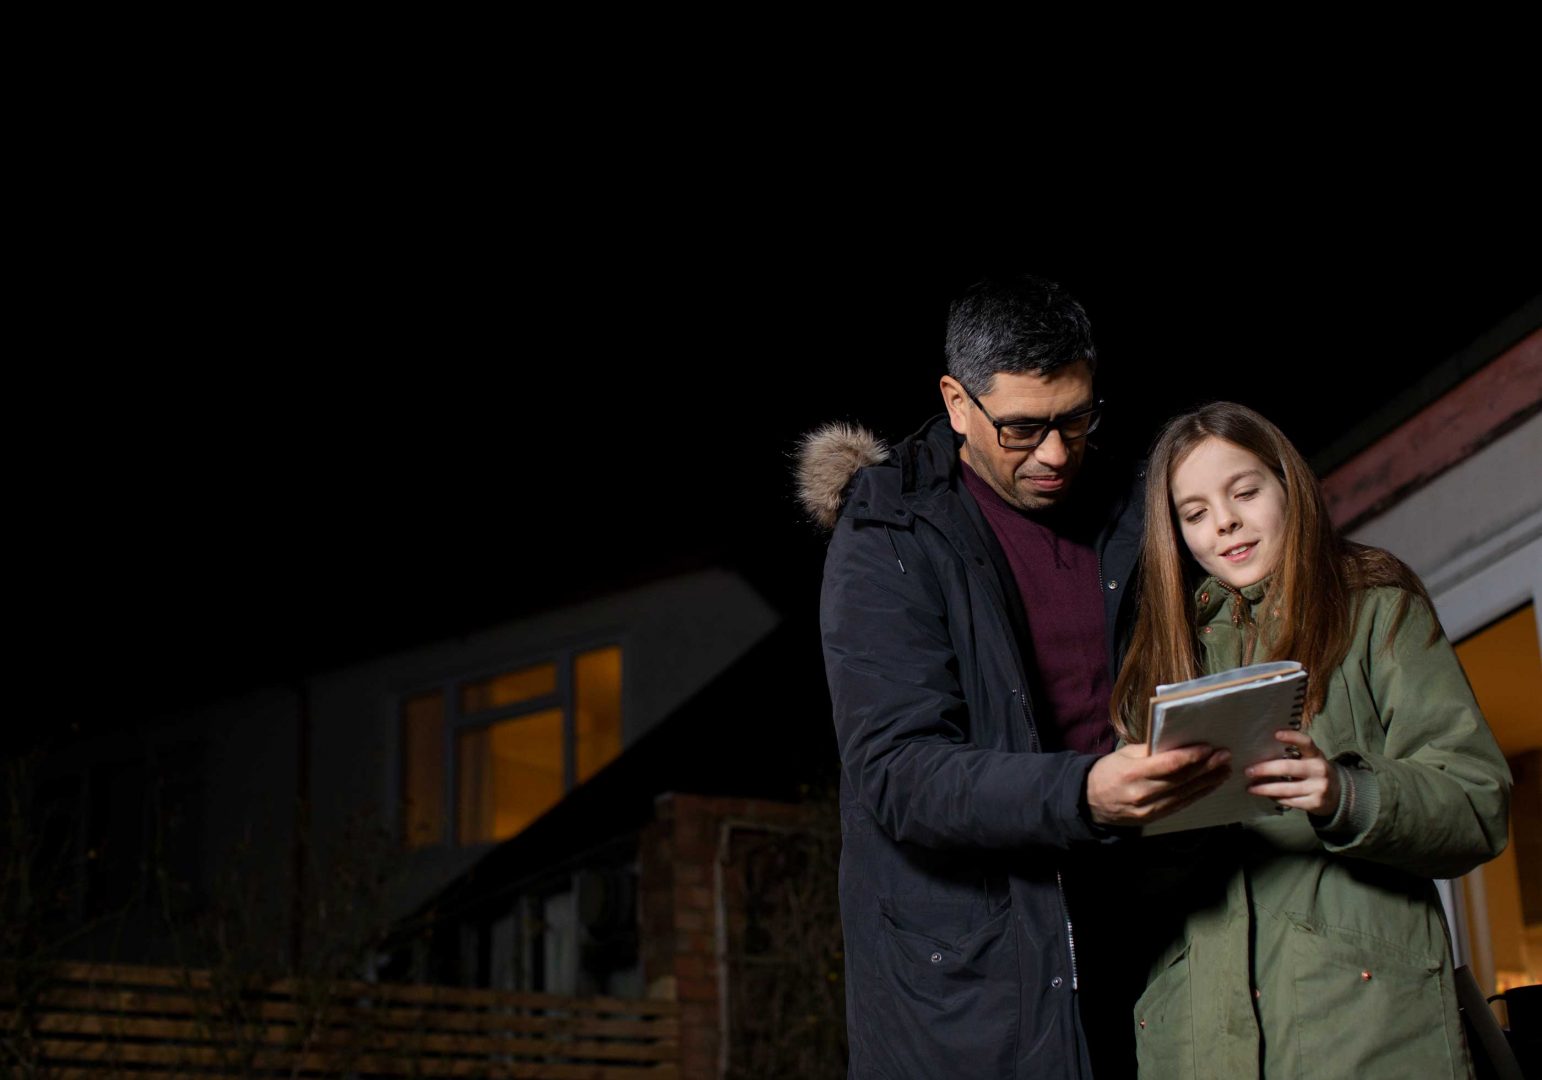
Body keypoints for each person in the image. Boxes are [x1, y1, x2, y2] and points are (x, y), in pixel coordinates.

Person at [799, 274, 1230, 1079]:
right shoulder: (887, 535)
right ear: (958, 404)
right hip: (969, 985)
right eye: (1023, 429)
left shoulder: (1136, 503)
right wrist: (1082, 795)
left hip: (1144, 940)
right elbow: (897, 772)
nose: (1058, 453)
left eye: (1076, 418)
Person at [1111, 402, 1512, 1079]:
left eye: (1244, 492)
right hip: (1193, 1041)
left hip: (1360, 1030)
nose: (1225, 523)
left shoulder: (1374, 608)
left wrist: (1344, 793)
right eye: (1195, 512)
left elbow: (1478, 801)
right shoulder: (1158, 662)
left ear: (1286, 485)